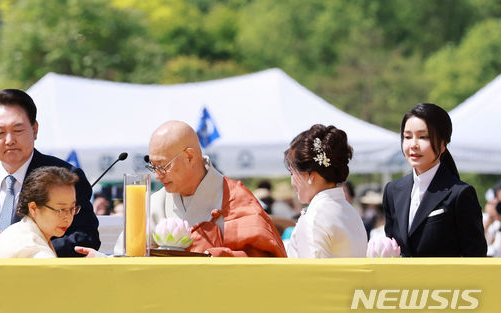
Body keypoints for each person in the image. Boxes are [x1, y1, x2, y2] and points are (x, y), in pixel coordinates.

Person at [0, 89, 100, 256]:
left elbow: (86, 236)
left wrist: (32, 253)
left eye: (18, 130)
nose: (9, 140)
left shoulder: (64, 177)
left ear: (34, 130)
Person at [111, 121, 286, 257]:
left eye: (163, 166)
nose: (158, 176)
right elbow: (124, 257)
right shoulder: (154, 203)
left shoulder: (236, 200)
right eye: (153, 167)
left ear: (189, 156)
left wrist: (214, 257)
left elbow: (263, 262)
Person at [382, 103, 485, 257]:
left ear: (443, 144)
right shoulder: (392, 190)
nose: (413, 145)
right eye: (407, 137)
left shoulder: (460, 194)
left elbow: (475, 257)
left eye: (423, 137)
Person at [284, 124, 367, 258]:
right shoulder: (350, 211)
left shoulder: (315, 217)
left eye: (292, 173)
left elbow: (314, 274)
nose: (292, 182)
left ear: (310, 174)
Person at [0, 167, 79, 258]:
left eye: (72, 208)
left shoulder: (21, 231)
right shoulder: (31, 248)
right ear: (33, 208)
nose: (68, 217)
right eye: (61, 210)